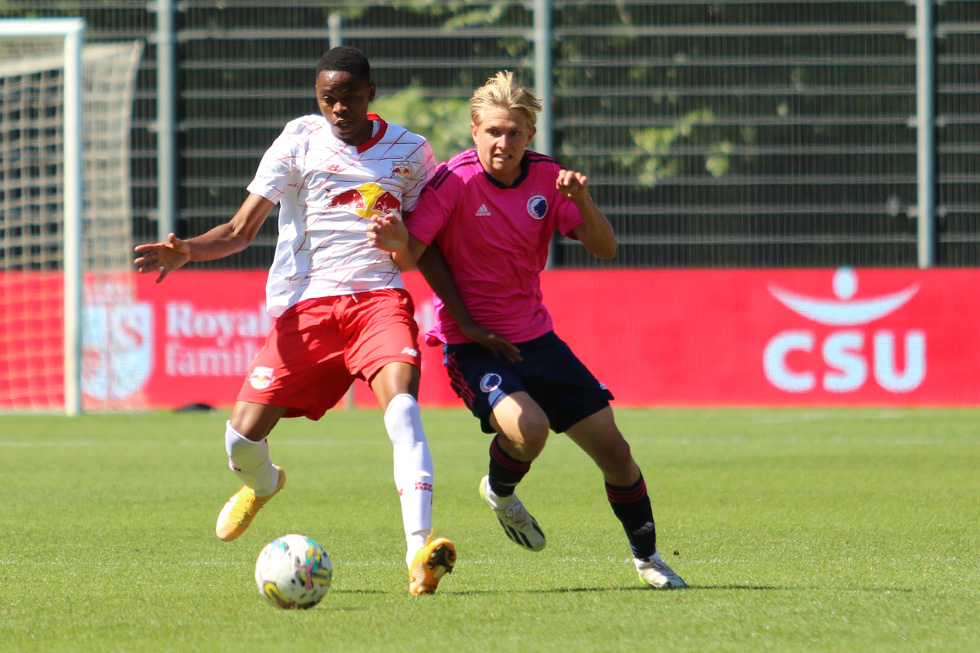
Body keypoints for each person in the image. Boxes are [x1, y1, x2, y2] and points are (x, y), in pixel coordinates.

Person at [134, 46, 456, 596]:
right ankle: (263, 484)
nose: (338, 109)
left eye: (349, 97)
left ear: (370, 94)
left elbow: (426, 241)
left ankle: (418, 552)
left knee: (403, 408)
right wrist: (187, 248)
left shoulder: (412, 153)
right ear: (317, 97)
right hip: (305, 311)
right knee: (239, 440)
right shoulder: (299, 139)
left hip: (378, 299)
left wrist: (460, 307)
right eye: (328, 98)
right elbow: (240, 231)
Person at [389, 71, 686, 589]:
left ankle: (648, 559)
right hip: (471, 344)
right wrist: (396, 239)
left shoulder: (550, 178)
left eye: (516, 133)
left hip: (536, 338)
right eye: (494, 132)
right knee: (530, 431)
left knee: (615, 452)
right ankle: (503, 492)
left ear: (530, 136)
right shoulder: (452, 182)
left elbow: (605, 248)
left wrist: (584, 201)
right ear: (475, 130)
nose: (504, 143)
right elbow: (412, 255)